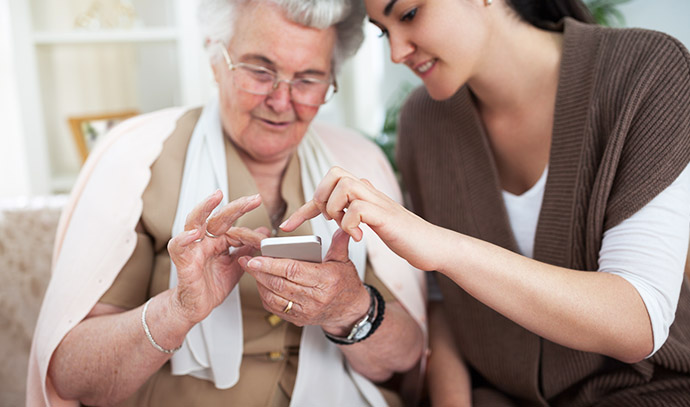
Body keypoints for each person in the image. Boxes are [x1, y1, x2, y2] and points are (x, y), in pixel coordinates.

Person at [281, 0, 690, 405]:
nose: (396, 52)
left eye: (408, 15)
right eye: (384, 31)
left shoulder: (647, 70)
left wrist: (442, 245)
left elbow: (639, 321)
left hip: (650, 392)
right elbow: (443, 305)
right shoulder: (422, 121)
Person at [26, 1, 426, 406]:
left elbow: (404, 361)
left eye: (308, 79)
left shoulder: (360, 165)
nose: (281, 100)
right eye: (259, 71)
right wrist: (177, 311)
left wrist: (350, 309)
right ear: (215, 57)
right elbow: (75, 378)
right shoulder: (135, 161)